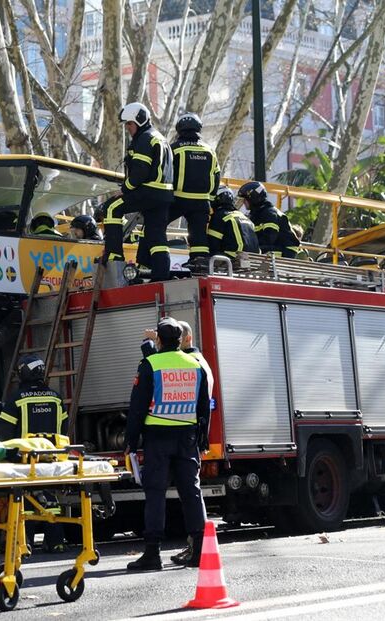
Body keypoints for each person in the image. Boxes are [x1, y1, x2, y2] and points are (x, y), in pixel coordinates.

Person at [125, 317, 210, 572]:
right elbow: (204, 405)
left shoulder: (151, 364)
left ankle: (153, 554)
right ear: (181, 340)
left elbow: (138, 408)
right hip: (188, 437)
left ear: (159, 340)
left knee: (155, 494)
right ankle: (199, 550)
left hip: (158, 438)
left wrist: (131, 440)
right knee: (191, 493)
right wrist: (203, 439)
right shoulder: (195, 364)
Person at [0, 355, 67, 552]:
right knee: (50, 500)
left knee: (25, 501)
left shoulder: (16, 399)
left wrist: (6, 455)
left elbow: (4, 431)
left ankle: (24, 543)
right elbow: (65, 426)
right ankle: (56, 542)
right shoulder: (55, 397)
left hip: (25, 460)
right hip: (51, 458)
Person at [101, 102, 174, 281]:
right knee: (156, 235)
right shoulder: (161, 138)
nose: (128, 128)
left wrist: (125, 189)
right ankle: (161, 274)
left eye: (129, 124)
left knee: (111, 208)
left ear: (139, 121)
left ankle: (114, 257)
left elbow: (140, 171)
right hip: (164, 195)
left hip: (148, 191)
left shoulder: (144, 139)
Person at [170, 113, 221, 270]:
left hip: (177, 199)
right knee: (199, 236)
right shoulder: (210, 150)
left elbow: (166, 172)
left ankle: (152, 260)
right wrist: (210, 199)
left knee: (156, 225)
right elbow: (216, 176)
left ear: (179, 129)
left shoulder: (174, 149)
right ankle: (199, 265)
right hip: (201, 202)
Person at [0, 355, 66, 441]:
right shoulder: (56, 399)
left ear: (22, 373)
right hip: (55, 452)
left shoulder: (16, 400)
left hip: (25, 453)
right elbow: (64, 429)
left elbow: (5, 432)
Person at [238, 181, 301, 258]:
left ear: (253, 198)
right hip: (275, 248)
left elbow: (269, 238)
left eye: (245, 199)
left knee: (252, 250)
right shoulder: (256, 214)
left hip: (285, 251)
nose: (244, 202)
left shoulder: (270, 214)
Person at [207, 186, 259, 259]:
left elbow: (213, 244)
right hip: (253, 261)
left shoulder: (219, 216)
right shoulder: (244, 217)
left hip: (233, 260)